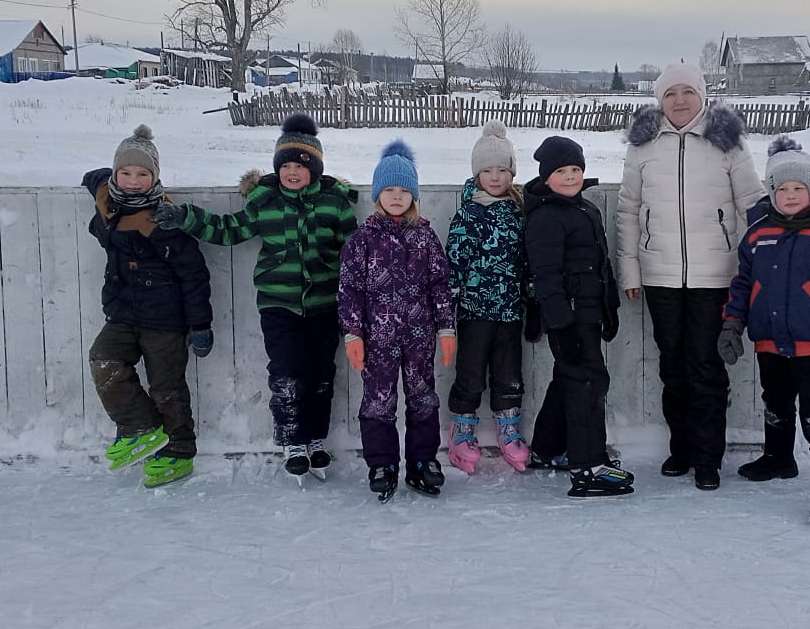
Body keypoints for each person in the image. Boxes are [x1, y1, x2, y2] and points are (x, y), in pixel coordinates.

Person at [151, 113, 358, 484]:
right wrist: (185, 217)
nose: (292, 172)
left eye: (301, 166)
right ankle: (292, 440)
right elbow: (228, 230)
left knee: (321, 374)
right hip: (278, 305)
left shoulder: (335, 203)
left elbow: (354, 252)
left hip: (324, 305)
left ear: (315, 169)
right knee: (287, 372)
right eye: (286, 165)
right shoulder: (265, 202)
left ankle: (315, 438)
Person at [616, 62, 765, 490]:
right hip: (659, 274)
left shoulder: (727, 141)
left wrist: (757, 268)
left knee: (706, 365)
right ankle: (680, 448)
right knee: (673, 365)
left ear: (702, 95)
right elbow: (628, 210)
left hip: (716, 276)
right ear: (659, 100)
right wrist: (630, 271)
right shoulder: (643, 145)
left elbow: (752, 204)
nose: (679, 101)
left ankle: (707, 457)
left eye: (687, 92)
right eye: (670, 93)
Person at [718, 137, 810, 526]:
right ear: (771, 192)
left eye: (798, 188)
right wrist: (732, 324)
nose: (789, 195)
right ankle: (778, 458)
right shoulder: (757, 234)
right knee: (776, 403)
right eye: (782, 188)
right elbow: (742, 284)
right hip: (769, 342)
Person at [83, 124, 213, 488]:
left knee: (167, 388)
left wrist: (201, 325)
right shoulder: (109, 205)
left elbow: (193, 274)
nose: (133, 182)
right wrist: (97, 179)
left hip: (165, 319)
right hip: (123, 313)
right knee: (104, 359)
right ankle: (139, 426)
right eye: (125, 173)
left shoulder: (162, 218)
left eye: (143, 174)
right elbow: (96, 181)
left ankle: (178, 453)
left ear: (155, 177)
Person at [338, 140, 456, 500]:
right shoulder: (362, 240)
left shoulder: (425, 237)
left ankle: (423, 461)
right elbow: (349, 289)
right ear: (377, 194)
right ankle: (382, 464)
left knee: (423, 399)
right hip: (378, 340)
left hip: (419, 338)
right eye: (389, 189)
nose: (396, 196)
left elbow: (440, 284)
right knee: (379, 401)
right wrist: (353, 333)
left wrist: (446, 328)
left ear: (414, 196)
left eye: (404, 190)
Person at [524, 135, 633, 498]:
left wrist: (609, 307)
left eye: (575, 169)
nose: (570, 176)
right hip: (568, 317)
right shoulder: (546, 217)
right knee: (588, 382)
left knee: (569, 378)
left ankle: (547, 448)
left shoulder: (585, 208)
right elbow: (545, 276)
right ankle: (588, 465)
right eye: (561, 171)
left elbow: (599, 264)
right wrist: (561, 323)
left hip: (588, 313)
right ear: (546, 176)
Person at [444, 120, 530, 474]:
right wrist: (448, 306)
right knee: (471, 373)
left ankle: (509, 430)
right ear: (477, 174)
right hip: (475, 312)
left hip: (509, 311)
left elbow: (527, 259)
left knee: (509, 374)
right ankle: (462, 432)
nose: (495, 177)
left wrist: (531, 297)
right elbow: (454, 261)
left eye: (503, 170)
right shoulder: (469, 213)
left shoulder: (519, 212)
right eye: (488, 170)